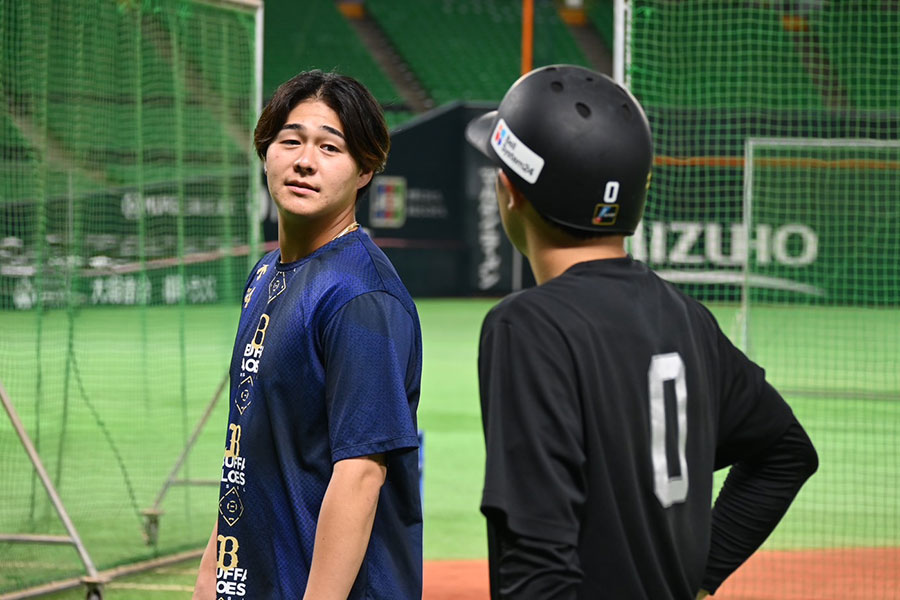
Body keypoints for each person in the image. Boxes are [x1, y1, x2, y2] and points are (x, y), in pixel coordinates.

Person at [465, 64, 818, 599]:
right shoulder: (685, 314)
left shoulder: (528, 325)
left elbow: (537, 563)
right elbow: (786, 453)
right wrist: (698, 579)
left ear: (510, 191)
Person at [193, 70, 423, 599]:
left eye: (330, 147)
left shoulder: (360, 297)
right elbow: (251, 453)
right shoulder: (265, 275)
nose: (303, 160)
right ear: (265, 150)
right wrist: (211, 577)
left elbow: (361, 475)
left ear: (365, 169)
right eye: (290, 140)